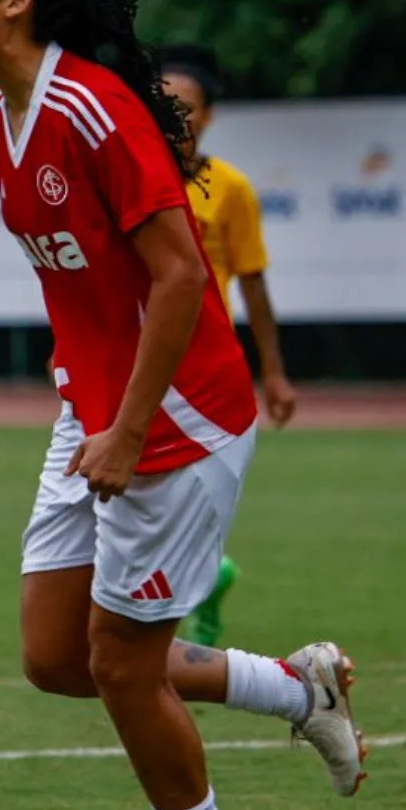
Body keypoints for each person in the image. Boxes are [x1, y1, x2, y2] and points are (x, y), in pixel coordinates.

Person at [0, 0, 366, 810]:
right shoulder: (4, 115)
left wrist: (127, 428)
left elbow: (179, 281)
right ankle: (301, 690)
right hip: (99, 412)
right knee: (54, 658)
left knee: (122, 668)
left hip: (175, 420)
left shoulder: (95, 109)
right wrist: (95, 405)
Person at [156, 45, 297, 648]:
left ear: (208, 117)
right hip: (132, 353)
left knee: (168, 487)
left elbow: (255, 280)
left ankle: (195, 581)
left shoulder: (229, 188)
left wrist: (275, 372)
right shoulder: (129, 176)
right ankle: (204, 577)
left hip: (200, 364)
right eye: (160, 103)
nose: (172, 117)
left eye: (184, 107)